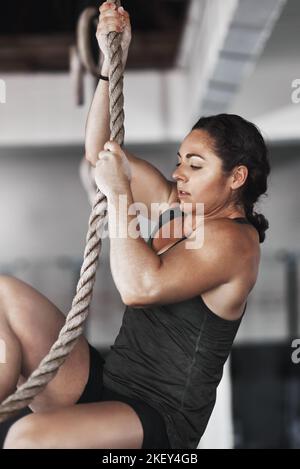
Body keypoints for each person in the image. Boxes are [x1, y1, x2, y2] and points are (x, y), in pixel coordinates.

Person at [1, 1, 270, 449]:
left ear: (236, 177)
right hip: (108, 383)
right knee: (5, 294)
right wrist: (111, 64)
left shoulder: (236, 244)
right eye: (181, 161)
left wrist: (120, 195)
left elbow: (139, 288)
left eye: (196, 165)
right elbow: (101, 153)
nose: (179, 173)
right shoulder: (174, 204)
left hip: (157, 420)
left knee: (26, 438)